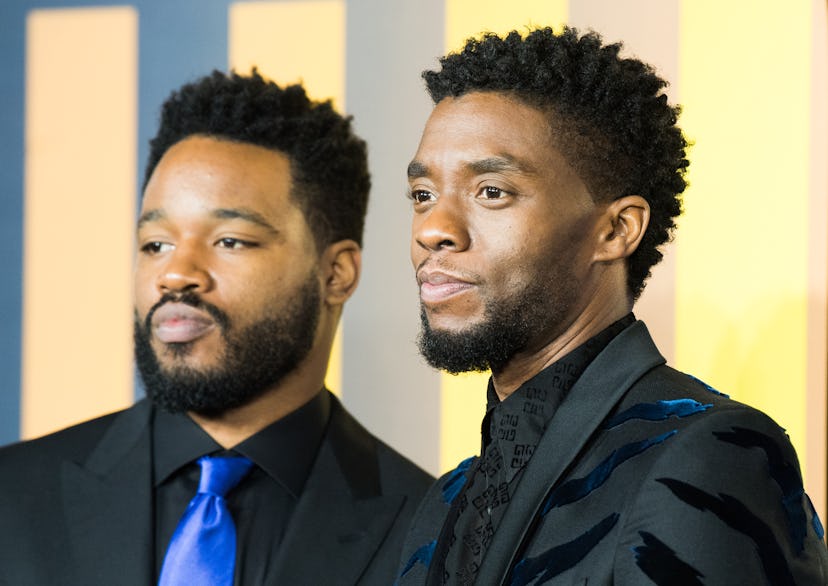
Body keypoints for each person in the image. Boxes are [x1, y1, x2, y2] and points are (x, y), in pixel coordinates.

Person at [396, 27, 828, 585]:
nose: (433, 229)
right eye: (423, 195)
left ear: (616, 230)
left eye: (492, 192)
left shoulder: (708, 455)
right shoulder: (444, 502)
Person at [0, 69, 432, 586]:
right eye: (155, 244)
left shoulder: (435, 534)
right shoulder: (12, 495)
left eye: (230, 241)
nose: (176, 273)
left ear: (336, 273)